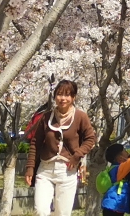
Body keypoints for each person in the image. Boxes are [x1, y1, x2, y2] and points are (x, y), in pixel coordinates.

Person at [25, 80, 97, 216]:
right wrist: (30, 168)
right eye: (59, 94)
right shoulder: (46, 117)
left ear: (73, 97)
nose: (63, 98)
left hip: (67, 171)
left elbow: (90, 139)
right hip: (45, 170)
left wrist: (77, 155)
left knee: (62, 213)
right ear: (54, 96)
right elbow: (35, 143)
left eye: (67, 95)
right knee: (40, 211)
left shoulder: (80, 116)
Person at [98, 143, 130, 216]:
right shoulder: (119, 169)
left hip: (113, 204)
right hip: (114, 205)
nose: (127, 153)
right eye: (125, 151)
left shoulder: (112, 168)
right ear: (120, 158)